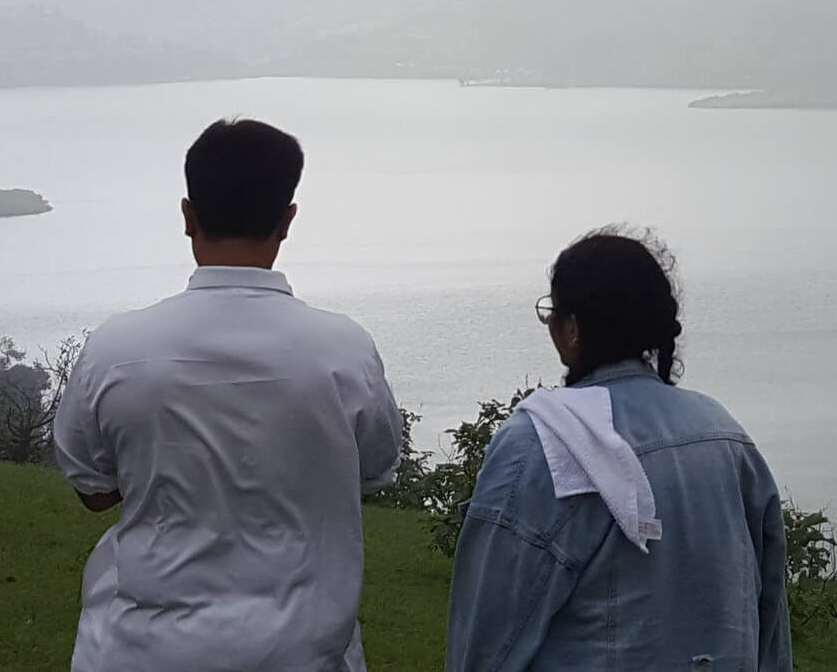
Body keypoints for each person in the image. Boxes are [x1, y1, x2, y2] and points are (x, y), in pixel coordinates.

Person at [52, 116, 404, 672]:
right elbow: (373, 473)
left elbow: (93, 489)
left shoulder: (117, 349)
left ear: (188, 215)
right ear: (287, 220)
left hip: (138, 647)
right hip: (303, 651)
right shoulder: (344, 350)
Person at [444, 230, 792, 672]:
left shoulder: (541, 444)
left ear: (572, 328)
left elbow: (487, 639)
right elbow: (770, 626)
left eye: (552, 313)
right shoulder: (726, 436)